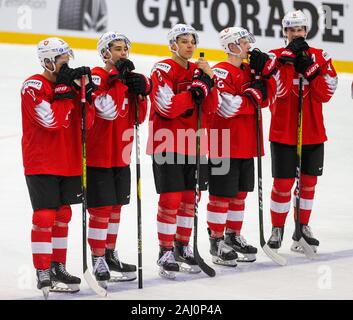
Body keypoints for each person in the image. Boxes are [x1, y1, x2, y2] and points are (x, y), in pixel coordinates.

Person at [21, 37, 95, 297]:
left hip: (69, 160)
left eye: (67, 58)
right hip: (41, 161)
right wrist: (65, 93)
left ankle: (57, 267)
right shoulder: (33, 85)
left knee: (63, 214)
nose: (66, 63)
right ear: (47, 60)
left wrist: (88, 94)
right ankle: (42, 270)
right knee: (44, 216)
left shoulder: (71, 86)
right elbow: (51, 120)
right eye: (61, 58)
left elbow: (88, 122)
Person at [147, 24, 217, 279]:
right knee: (170, 199)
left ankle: (182, 245)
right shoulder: (162, 68)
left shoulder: (199, 70)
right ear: (172, 44)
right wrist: (193, 92)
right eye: (184, 41)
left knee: (190, 198)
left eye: (192, 41)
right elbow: (167, 107)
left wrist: (209, 81)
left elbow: (212, 107)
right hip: (167, 142)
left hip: (196, 142)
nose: (189, 45)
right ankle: (165, 250)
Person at [266, 10, 337, 253]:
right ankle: (278, 229)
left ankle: (302, 227)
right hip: (283, 131)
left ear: (306, 31)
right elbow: (279, 92)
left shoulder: (320, 56)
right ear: (284, 32)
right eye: (291, 30)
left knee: (307, 183)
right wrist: (287, 64)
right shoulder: (274, 57)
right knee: (283, 183)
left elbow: (326, 93)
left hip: (313, 131)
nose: (296, 34)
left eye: (300, 29)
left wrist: (312, 71)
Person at [207, 27, 277, 266]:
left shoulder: (251, 70)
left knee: (240, 193)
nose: (249, 45)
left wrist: (264, 75)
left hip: (248, 141)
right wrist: (253, 97)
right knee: (220, 195)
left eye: (248, 40)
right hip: (223, 142)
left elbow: (267, 99)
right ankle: (216, 240)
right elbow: (227, 107)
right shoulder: (219, 72)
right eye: (244, 41)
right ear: (232, 46)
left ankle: (232, 235)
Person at [86, 32, 150, 288]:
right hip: (99, 155)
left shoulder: (125, 78)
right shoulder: (96, 75)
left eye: (125, 48)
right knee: (101, 210)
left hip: (121, 153)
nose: (123, 53)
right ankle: (98, 257)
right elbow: (107, 110)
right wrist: (121, 81)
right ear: (105, 53)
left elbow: (138, 117)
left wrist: (143, 93)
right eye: (118, 49)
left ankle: (110, 254)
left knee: (115, 208)